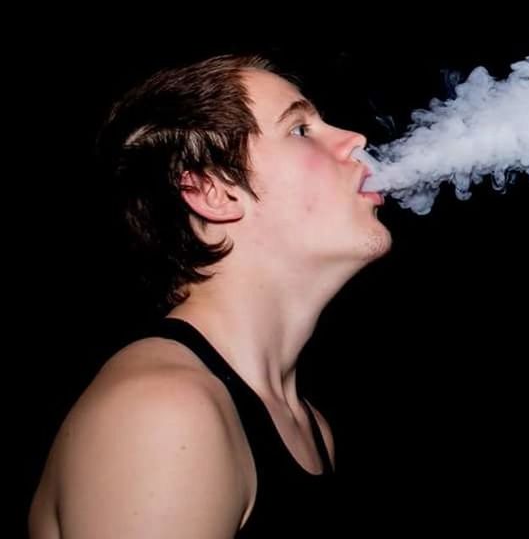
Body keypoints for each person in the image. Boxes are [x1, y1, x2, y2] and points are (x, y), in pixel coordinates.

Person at [28, 54, 390, 537]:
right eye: (300, 129)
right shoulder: (164, 413)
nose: (356, 140)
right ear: (212, 191)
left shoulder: (308, 425)